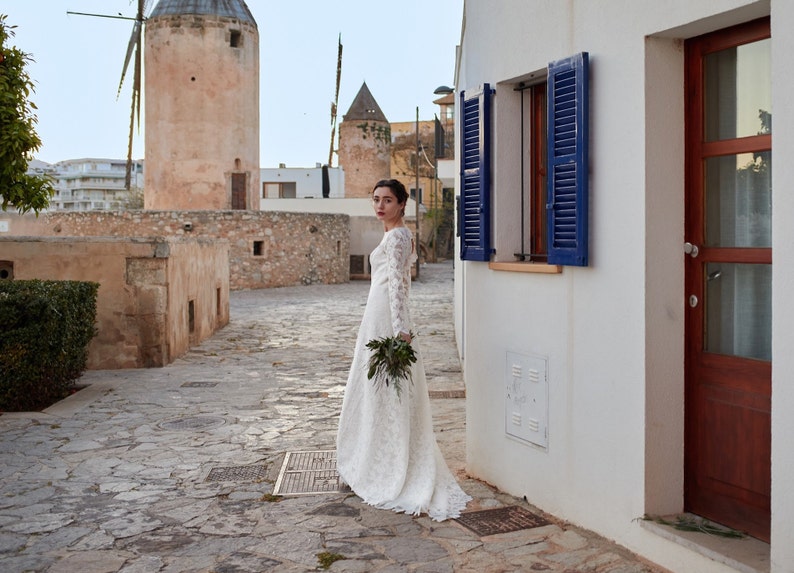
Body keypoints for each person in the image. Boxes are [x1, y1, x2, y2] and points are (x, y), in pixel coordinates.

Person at [336, 179, 471, 521]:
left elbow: (398, 285)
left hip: (386, 316)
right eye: (376, 199)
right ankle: (372, 459)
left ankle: (385, 466)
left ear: (401, 204)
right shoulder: (396, 234)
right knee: (377, 390)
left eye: (387, 200)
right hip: (376, 313)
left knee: (384, 389)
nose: (380, 206)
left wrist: (400, 333)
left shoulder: (397, 236)